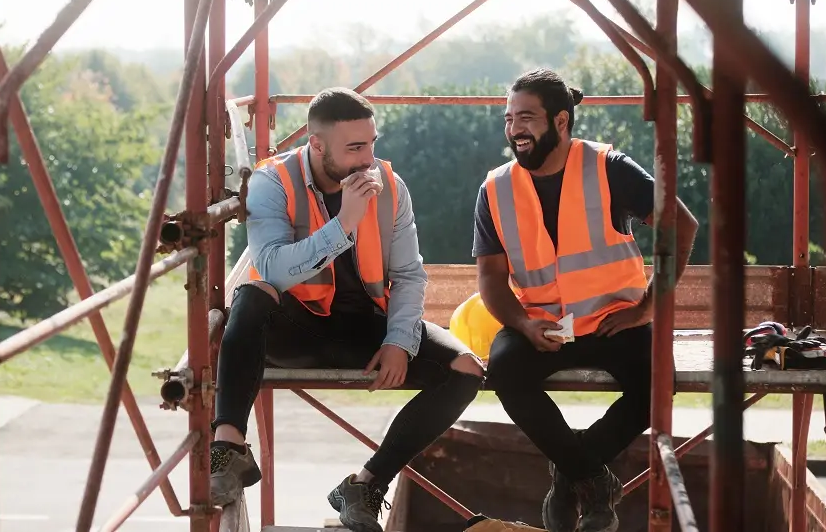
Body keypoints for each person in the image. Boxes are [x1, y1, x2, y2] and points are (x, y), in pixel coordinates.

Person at [209, 87, 485, 532]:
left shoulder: (391, 187)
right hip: (297, 330)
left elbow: (410, 277)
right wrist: (345, 224)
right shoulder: (272, 182)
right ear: (316, 145)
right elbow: (273, 269)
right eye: (354, 147)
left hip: (366, 332)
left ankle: (366, 484)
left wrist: (399, 341)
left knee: (467, 369)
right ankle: (228, 449)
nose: (366, 158)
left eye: (372, 143)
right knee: (250, 296)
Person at [471, 69, 698, 532]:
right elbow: (491, 280)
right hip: (541, 323)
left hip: (615, 317)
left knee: (658, 382)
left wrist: (649, 306)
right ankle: (592, 479)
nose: (515, 128)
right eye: (509, 118)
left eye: (527, 117)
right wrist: (522, 322)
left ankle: (571, 473)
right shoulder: (495, 188)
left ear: (560, 121)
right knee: (505, 371)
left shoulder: (608, 166)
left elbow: (682, 224)